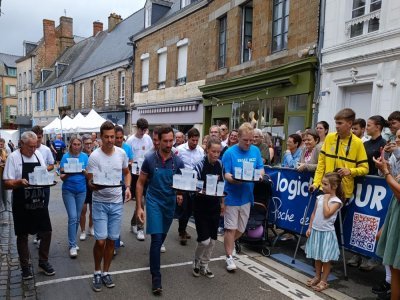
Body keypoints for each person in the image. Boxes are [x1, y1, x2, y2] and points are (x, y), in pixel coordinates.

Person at [135, 125, 185, 295]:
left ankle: (153, 261)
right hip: (154, 201)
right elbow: (140, 183)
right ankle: (156, 277)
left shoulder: (178, 161)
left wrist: (180, 193)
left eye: (171, 140)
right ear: (159, 140)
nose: (169, 144)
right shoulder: (150, 159)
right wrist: (139, 207)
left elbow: (181, 182)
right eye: (166, 141)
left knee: (161, 237)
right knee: (156, 239)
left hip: (169, 203)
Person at [3, 131, 55, 280]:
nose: (33, 150)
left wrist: (49, 181)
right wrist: (19, 182)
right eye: (30, 147)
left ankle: (43, 262)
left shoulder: (38, 155)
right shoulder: (13, 158)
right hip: (21, 201)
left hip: (38, 199)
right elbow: (6, 183)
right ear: (22, 144)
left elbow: (44, 174)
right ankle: (25, 268)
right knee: (22, 235)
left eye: (35, 146)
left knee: (47, 231)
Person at [87, 121, 131, 292]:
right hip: (99, 202)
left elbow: (126, 173)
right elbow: (89, 181)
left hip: (116, 203)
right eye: (107, 137)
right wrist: (95, 185)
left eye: (113, 137)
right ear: (101, 137)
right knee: (100, 241)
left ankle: (106, 272)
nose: (110, 140)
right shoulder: (94, 156)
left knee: (112, 240)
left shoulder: (121, 154)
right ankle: (96, 271)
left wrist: (127, 188)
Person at [221, 122, 264, 271]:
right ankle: (229, 256)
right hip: (231, 196)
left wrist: (260, 176)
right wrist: (234, 179)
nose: (248, 143)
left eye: (251, 140)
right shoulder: (229, 153)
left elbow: (260, 168)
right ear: (238, 137)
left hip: (247, 196)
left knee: (241, 228)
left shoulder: (256, 151)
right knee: (230, 229)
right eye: (245, 140)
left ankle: (229, 243)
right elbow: (226, 174)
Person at [310, 108, 369, 200]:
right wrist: (316, 183)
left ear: (349, 123)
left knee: (335, 214)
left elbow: (365, 169)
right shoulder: (329, 138)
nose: (336, 126)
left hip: (343, 192)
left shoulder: (357, 143)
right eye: (336, 123)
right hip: (325, 188)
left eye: (340, 123)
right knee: (320, 214)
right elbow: (321, 164)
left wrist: (350, 171)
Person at [305, 172, 344, 292]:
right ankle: (317, 276)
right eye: (322, 183)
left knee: (326, 259)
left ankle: (324, 280)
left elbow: (327, 214)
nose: (322, 186)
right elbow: (313, 213)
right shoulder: (319, 197)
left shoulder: (336, 201)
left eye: (325, 184)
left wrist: (327, 199)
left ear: (334, 186)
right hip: (316, 231)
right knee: (317, 256)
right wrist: (310, 227)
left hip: (327, 233)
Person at [373, 129, 400, 300]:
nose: (397, 140)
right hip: (395, 212)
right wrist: (387, 170)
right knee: (395, 265)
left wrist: (387, 173)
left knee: (397, 266)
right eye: (397, 136)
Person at [192, 137, 224, 278]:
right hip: (201, 206)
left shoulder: (220, 165)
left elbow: (222, 184)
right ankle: (196, 261)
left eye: (218, 152)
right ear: (207, 150)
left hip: (215, 206)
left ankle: (205, 265)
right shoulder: (199, 165)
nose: (216, 155)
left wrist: (223, 203)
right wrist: (203, 191)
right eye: (213, 151)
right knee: (204, 240)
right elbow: (193, 187)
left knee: (212, 240)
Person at [60, 135, 88, 258]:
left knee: (77, 218)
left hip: (81, 190)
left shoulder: (85, 156)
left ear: (81, 145)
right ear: (70, 144)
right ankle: (72, 245)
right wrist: (68, 172)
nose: (76, 146)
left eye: (78, 144)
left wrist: (83, 171)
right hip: (68, 190)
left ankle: (73, 242)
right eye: (74, 144)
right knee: (72, 217)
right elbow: (61, 176)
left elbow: (89, 175)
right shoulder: (66, 156)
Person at [126, 118, 153, 241]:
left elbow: (152, 152)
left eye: (145, 130)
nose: (143, 133)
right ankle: (140, 228)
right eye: (142, 130)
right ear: (137, 128)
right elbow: (127, 158)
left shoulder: (148, 138)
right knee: (140, 201)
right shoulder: (130, 140)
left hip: (146, 172)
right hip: (135, 174)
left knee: (141, 202)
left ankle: (133, 222)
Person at [177, 128, 204, 245]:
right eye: (193, 140)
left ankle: (182, 228)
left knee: (190, 209)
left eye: (196, 140)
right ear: (188, 138)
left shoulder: (200, 151)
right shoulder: (180, 149)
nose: (194, 142)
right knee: (184, 207)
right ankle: (182, 232)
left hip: (195, 183)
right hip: (183, 181)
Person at [31, 126, 55, 246]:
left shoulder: (46, 149)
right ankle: (37, 232)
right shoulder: (29, 149)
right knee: (35, 207)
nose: (38, 140)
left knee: (44, 208)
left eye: (39, 138)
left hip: (44, 183)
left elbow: (52, 165)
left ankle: (41, 234)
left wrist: (44, 169)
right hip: (33, 184)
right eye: (36, 138)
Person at [114, 126, 134, 253]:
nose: (119, 140)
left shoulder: (126, 148)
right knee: (113, 215)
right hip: (110, 185)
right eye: (117, 138)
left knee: (117, 214)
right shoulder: (108, 149)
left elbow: (131, 161)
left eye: (121, 138)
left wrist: (128, 187)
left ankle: (115, 240)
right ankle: (113, 242)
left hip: (122, 183)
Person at [80, 134, 94, 240]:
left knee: (93, 209)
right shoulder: (80, 155)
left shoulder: (96, 154)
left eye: (90, 143)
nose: (88, 145)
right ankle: (83, 231)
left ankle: (91, 227)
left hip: (93, 184)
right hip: (83, 184)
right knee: (83, 209)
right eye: (86, 144)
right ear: (83, 144)